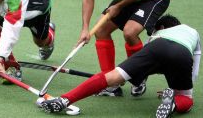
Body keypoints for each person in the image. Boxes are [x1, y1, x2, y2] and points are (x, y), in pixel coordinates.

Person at [41, 14, 201, 118]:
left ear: (161, 28)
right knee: (185, 98)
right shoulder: (193, 32)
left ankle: (65, 99)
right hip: (183, 53)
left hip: (156, 48)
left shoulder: (156, 36)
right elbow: (195, 61)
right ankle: (173, 103)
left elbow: (144, 69)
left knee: (110, 77)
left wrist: (127, 78)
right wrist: (180, 88)